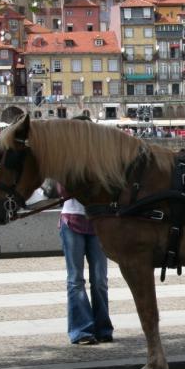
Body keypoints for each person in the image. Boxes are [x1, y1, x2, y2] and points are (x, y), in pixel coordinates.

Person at [58, 116, 113, 345]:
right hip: (73, 220)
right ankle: (81, 330)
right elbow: (64, 191)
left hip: (98, 221)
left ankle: (103, 328)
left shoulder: (102, 156)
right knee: (75, 279)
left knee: (100, 279)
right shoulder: (66, 158)